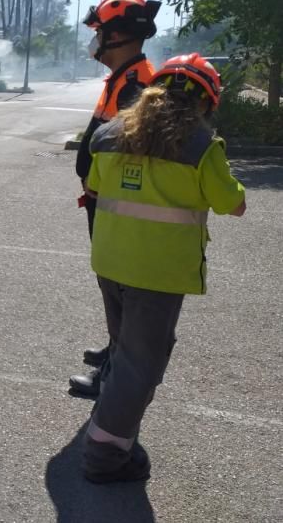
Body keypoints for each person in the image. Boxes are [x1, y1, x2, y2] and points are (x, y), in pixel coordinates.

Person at [81, 53, 246, 483]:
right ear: (206, 102)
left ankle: (116, 430)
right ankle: (105, 453)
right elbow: (234, 205)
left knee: (123, 351)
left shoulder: (110, 133)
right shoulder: (202, 146)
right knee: (141, 364)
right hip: (157, 275)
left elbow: (94, 186)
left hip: (110, 263)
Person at [70, 0, 160, 398]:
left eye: (100, 32)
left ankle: (115, 373)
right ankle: (116, 349)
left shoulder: (137, 84)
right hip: (102, 200)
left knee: (118, 285)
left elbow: (125, 154)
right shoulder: (124, 78)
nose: (95, 40)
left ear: (119, 35)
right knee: (113, 286)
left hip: (115, 204)